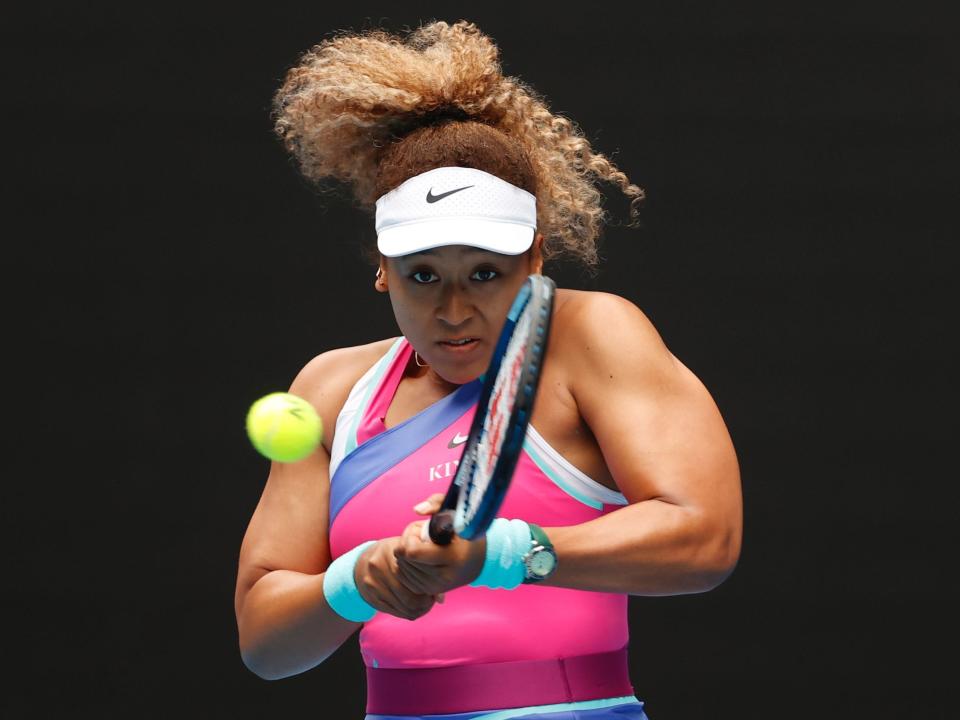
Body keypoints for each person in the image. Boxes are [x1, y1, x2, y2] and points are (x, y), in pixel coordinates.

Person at [234, 20, 742, 720]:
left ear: (534, 258)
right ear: (382, 271)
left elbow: (705, 537)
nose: (453, 309)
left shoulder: (593, 335)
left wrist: (502, 553)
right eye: (422, 275)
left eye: (483, 271)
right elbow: (264, 644)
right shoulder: (328, 391)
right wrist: (357, 581)